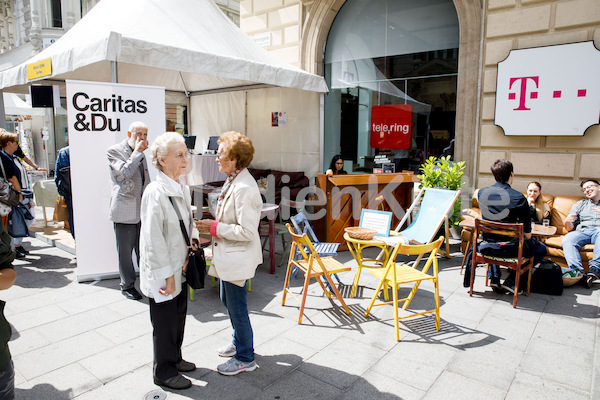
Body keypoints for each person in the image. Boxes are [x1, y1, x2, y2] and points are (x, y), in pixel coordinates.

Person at [196, 131, 262, 376]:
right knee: (228, 301)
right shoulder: (235, 179)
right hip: (229, 255)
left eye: (221, 153)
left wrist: (213, 227)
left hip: (237, 256)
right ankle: (238, 343)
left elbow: (246, 231)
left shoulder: (244, 187)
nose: (216, 157)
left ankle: (246, 357)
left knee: (237, 307)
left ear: (235, 159)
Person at [139, 132, 196, 390]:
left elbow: (183, 225)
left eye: (186, 154)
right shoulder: (155, 191)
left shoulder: (180, 186)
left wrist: (191, 247)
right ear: (162, 160)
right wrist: (167, 275)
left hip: (179, 266)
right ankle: (163, 370)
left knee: (178, 318)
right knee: (164, 323)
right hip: (165, 271)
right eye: (179, 155)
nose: (186, 159)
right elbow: (153, 239)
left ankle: (175, 358)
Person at [477, 159, 547, 293]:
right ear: (512, 175)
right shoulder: (519, 198)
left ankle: (495, 277)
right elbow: (527, 235)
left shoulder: (482, 193)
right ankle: (512, 280)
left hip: (486, 246)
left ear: (494, 175)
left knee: (494, 237)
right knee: (541, 249)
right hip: (509, 249)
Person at [107, 121, 150, 300]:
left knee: (144, 250)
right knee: (125, 253)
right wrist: (138, 152)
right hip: (124, 211)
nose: (141, 138)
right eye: (138, 133)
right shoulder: (115, 151)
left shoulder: (140, 153)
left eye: (145, 135)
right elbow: (124, 172)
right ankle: (127, 285)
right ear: (129, 133)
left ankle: (147, 283)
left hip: (142, 210)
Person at [0, 132, 34, 258]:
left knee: (18, 219)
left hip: (13, 194)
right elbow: (12, 178)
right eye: (16, 142)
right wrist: (19, 194)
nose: (17, 144)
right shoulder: (5, 157)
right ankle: (14, 247)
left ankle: (15, 246)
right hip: (12, 195)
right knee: (18, 219)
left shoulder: (12, 157)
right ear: (9, 143)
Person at [562, 179, 600, 288]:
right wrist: (567, 222)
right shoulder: (580, 204)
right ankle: (579, 274)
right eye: (584, 189)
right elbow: (569, 228)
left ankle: (594, 270)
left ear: (598, 187)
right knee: (568, 239)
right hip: (583, 231)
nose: (587, 190)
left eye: (589, 187)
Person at [55, 146, 74, 239]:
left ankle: (76, 239)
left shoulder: (63, 152)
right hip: (85, 190)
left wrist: (60, 189)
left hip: (69, 190)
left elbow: (57, 175)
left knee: (72, 215)